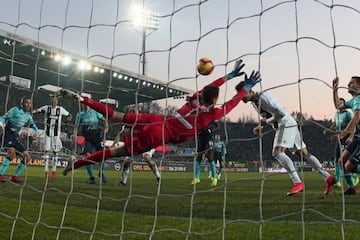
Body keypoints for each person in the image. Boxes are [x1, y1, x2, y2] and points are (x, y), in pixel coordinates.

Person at [60, 59, 261, 176]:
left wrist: (230, 76)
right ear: (215, 99)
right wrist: (246, 88)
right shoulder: (212, 114)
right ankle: (76, 164)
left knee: (116, 115)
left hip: (157, 119)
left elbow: (214, 85)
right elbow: (234, 101)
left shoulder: (196, 96)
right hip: (158, 134)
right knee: (114, 152)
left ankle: (83, 98)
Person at [236, 81, 332, 196]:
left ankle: (297, 183)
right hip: (286, 123)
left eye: (243, 94)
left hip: (285, 123)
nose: (241, 98)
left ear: (251, 91)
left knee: (277, 153)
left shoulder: (263, 97)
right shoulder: (254, 102)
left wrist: (266, 122)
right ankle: (329, 178)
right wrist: (261, 126)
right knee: (303, 154)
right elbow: (268, 116)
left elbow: (280, 114)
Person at [325, 76, 360, 195]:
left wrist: (343, 134)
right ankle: (351, 188)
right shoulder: (354, 100)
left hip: (357, 138)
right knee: (341, 162)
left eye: (352, 83)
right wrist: (334, 91)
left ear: (359, 86)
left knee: (349, 166)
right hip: (357, 138)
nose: (349, 84)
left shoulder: (359, 99)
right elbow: (338, 106)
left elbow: (356, 118)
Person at [0, 97, 39, 183]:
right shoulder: (15, 110)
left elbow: (34, 126)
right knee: (12, 153)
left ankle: (14, 176)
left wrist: (36, 133)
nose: (28, 105)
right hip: (7, 134)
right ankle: (0, 174)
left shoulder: (28, 116)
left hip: (15, 136)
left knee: (27, 157)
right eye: (27, 103)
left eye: (30, 103)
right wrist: (1, 124)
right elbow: (4, 117)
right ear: (22, 104)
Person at [33, 95, 71, 179]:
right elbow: (38, 110)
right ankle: (46, 171)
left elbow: (69, 115)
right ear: (50, 100)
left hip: (56, 134)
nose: (54, 101)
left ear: (57, 101)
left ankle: (54, 171)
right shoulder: (46, 108)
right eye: (52, 100)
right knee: (46, 151)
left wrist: (66, 121)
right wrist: (32, 112)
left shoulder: (60, 109)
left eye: (55, 100)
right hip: (47, 133)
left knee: (55, 152)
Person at [323, 97, 357, 188]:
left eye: (341, 103)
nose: (340, 104)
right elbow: (335, 124)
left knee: (343, 160)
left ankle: (351, 178)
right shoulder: (336, 114)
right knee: (337, 160)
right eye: (339, 102)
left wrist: (350, 137)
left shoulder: (348, 114)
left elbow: (353, 125)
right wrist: (328, 130)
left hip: (347, 138)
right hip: (339, 137)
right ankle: (340, 180)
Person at [72, 103, 109, 184]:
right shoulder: (80, 115)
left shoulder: (95, 112)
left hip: (97, 138)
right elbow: (76, 126)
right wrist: (74, 134)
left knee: (103, 156)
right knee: (87, 156)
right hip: (88, 139)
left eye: (87, 104)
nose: (86, 106)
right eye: (84, 104)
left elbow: (104, 120)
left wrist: (106, 128)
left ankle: (101, 173)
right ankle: (92, 178)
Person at [190, 121, 219, 187]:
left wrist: (211, 130)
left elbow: (217, 125)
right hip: (200, 139)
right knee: (198, 158)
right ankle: (197, 178)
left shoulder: (210, 117)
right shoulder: (198, 117)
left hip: (209, 139)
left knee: (210, 157)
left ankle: (214, 178)